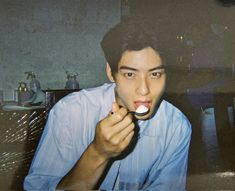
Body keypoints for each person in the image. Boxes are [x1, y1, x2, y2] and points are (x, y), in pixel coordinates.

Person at [24, 18, 191, 191]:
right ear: (111, 73)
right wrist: (97, 152)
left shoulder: (176, 127)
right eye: (130, 75)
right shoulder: (71, 112)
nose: (144, 90)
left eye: (155, 74)